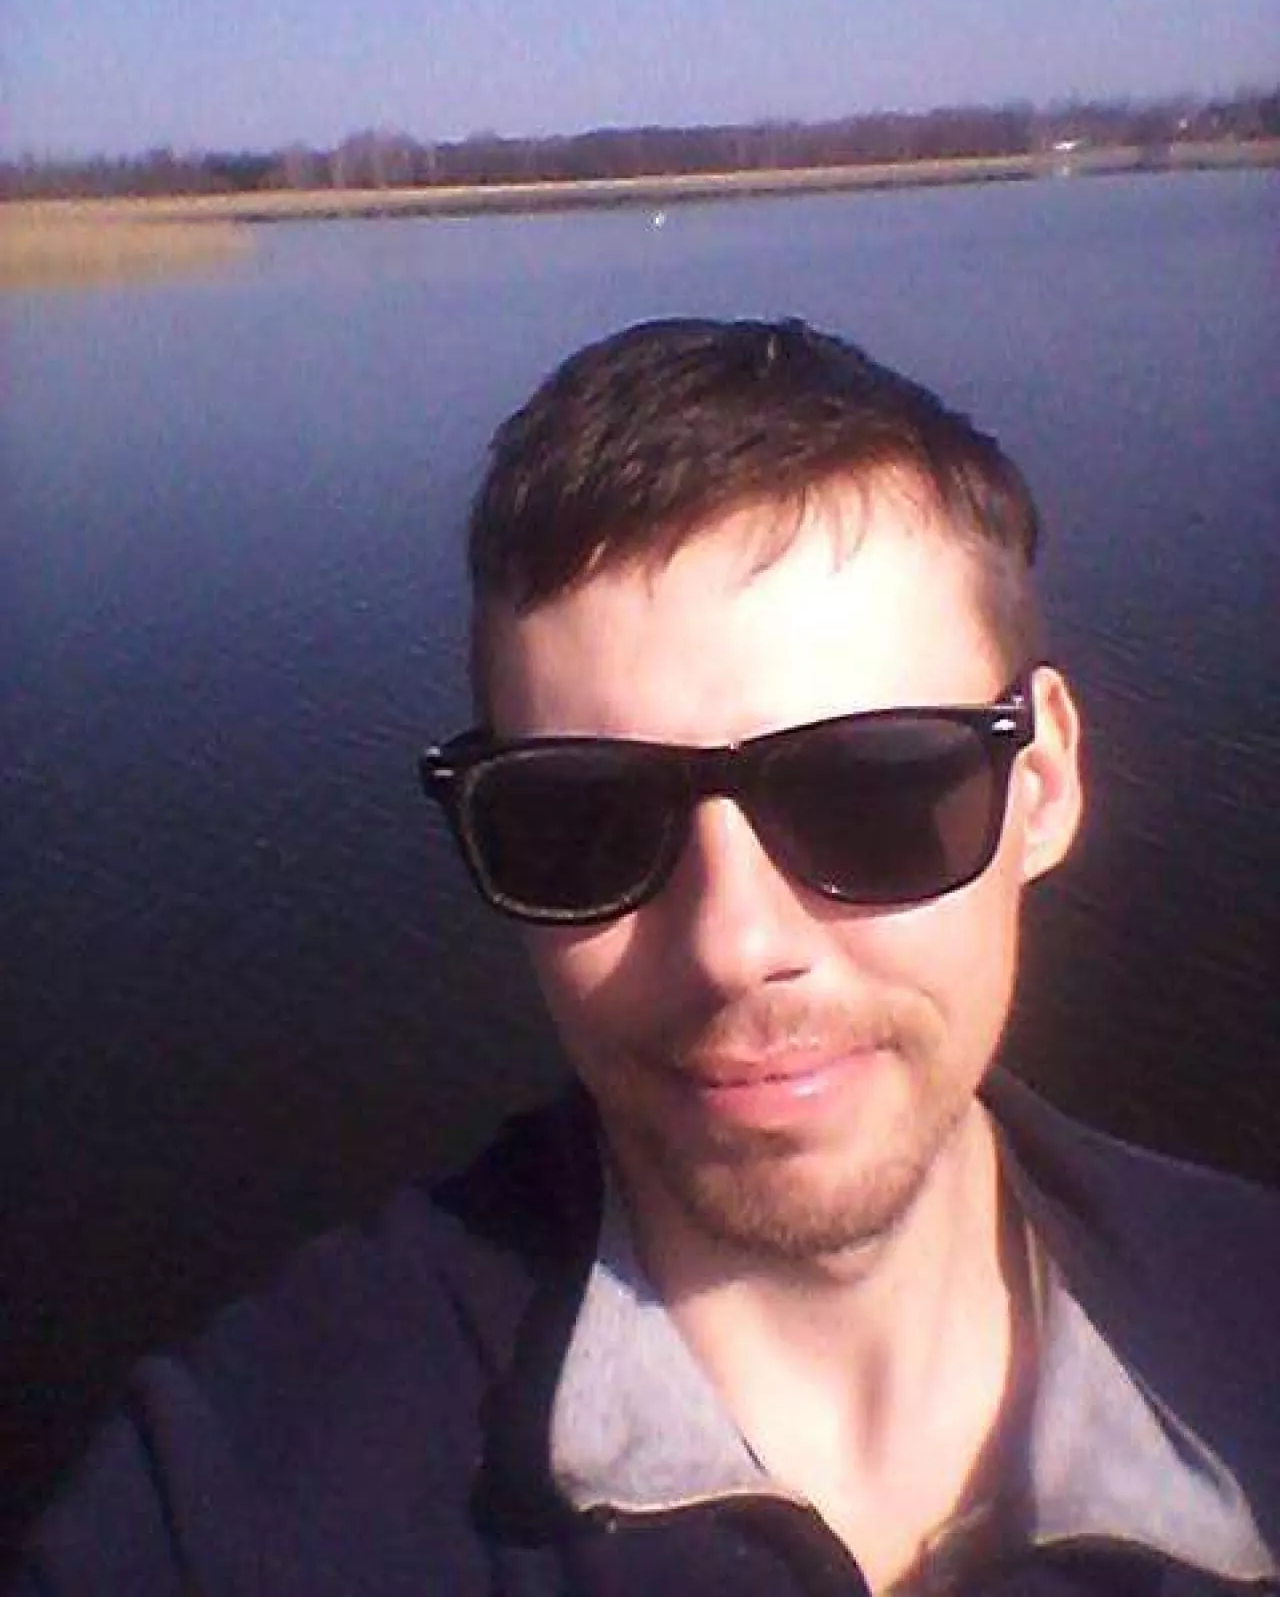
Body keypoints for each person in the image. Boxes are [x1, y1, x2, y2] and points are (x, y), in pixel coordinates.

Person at [13, 319, 1278, 1594]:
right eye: (585, 825)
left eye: (871, 794)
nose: (735, 946)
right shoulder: (237, 1499)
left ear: (1042, 785)